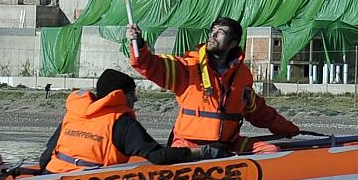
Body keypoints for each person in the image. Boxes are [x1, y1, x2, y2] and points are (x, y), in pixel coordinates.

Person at [126, 16, 299, 156]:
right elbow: (151, 65)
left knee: (272, 152)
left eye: (220, 32)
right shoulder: (188, 67)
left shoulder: (242, 75)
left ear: (233, 43)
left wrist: (289, 129)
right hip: (189, 145)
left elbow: (259, 111)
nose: (213, 35)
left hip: (227, 145)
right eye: (212, 31)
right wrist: (139, 45)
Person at [40, 68, 215, 173]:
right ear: (120, 96)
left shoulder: (74, 114)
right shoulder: (122, 123)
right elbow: (159, 156)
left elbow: (45, 157)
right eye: (132, 93)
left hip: (53, 174)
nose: (135, 99)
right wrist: (205, 152)